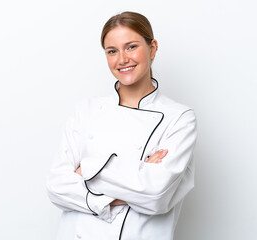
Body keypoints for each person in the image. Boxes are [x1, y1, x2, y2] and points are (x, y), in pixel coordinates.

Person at [46, 11, 197, 240]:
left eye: (131, 47)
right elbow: (56, 187)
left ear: (153, 48)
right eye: (112, 51)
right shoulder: (86, 111)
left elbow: (156, 195)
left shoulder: (179, 118)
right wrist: (134, 181)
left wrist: (86, 170)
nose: (122, 59)